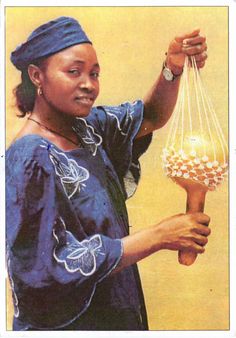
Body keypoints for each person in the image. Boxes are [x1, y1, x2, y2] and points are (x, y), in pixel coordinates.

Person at [6, 16, 210, 331]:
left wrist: (173, 67)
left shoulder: (88, 130)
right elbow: (45, 269)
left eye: (95, 73)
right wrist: (158, 236)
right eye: (74, 72)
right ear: (37, 76)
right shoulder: (28, 156)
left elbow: (150, 116)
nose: (89, 84)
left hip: (117, 311)